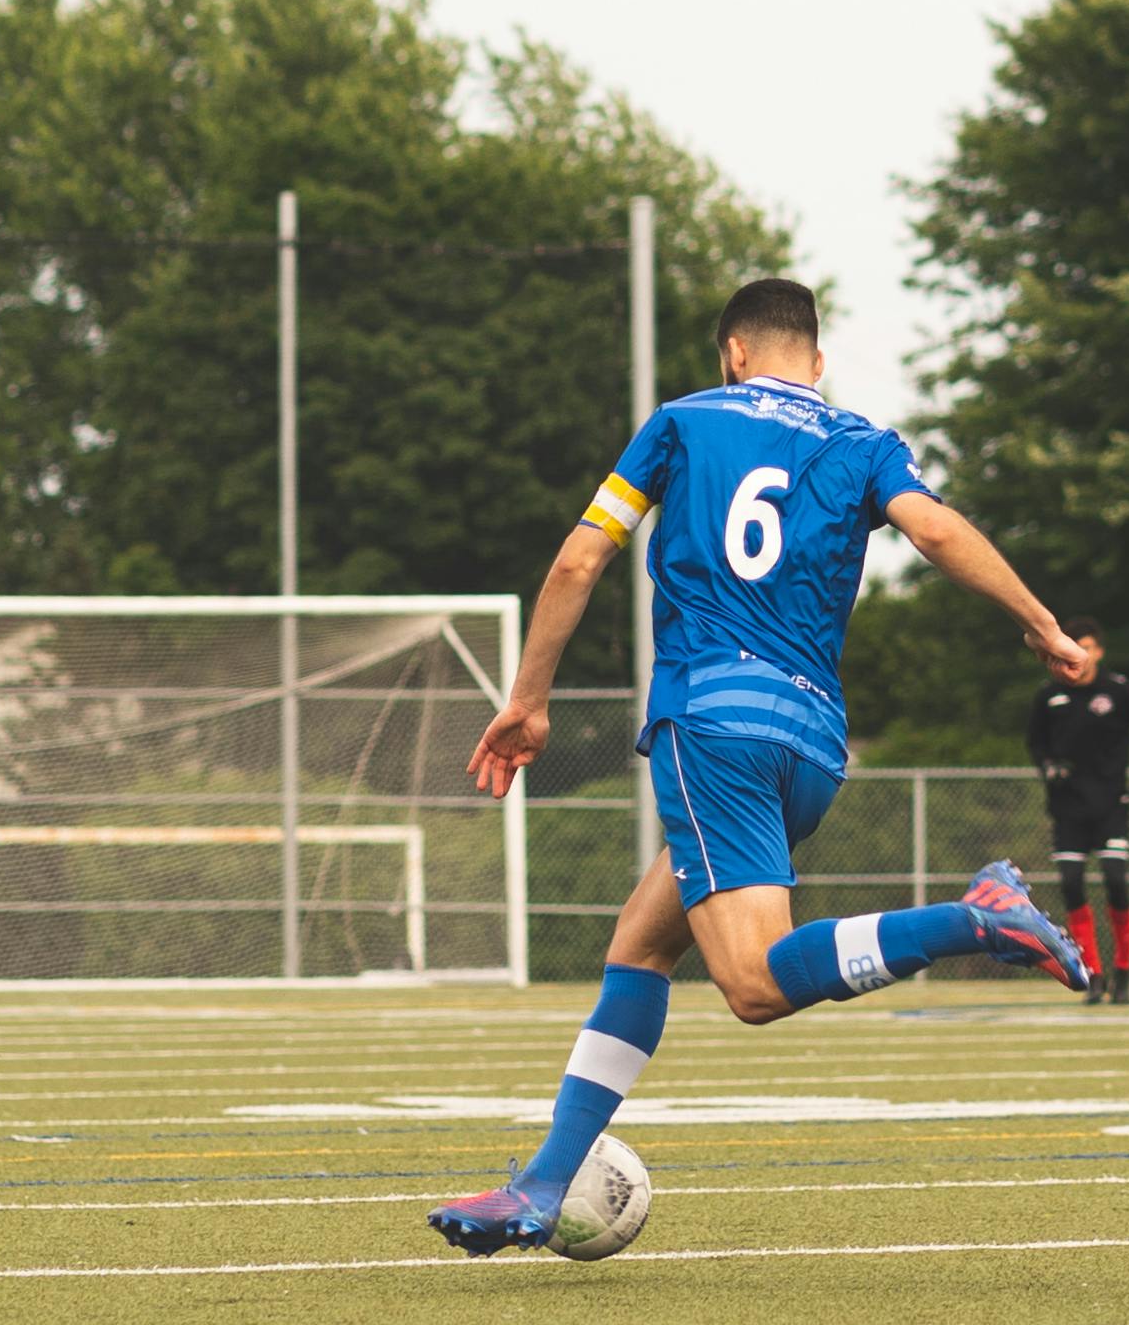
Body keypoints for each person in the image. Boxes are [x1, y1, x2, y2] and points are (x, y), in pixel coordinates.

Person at [430, 277, 1091, 1254]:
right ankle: (540, 1181)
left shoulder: (681, 424)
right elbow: (937, 530)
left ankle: (973, 918)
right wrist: (1043, 625)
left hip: (712, 721)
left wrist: (527, 703)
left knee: (750, 985)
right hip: (813, 743)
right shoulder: (859, 440)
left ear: (731, 351)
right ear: (813, 363)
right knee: (642, 942)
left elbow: (579, 561)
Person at [1027, 634, 1129, 1000]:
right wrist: (1048, 765)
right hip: (1068, 807)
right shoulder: (1048, 695)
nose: (1081, 655)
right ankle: (1093, 975)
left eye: (1087, 647)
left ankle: (1123, 975)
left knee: (1115, 880)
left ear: (1099, 651)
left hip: (1111, 805)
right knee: (1072, 884)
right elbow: (1035, 741)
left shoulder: (1118, 690)